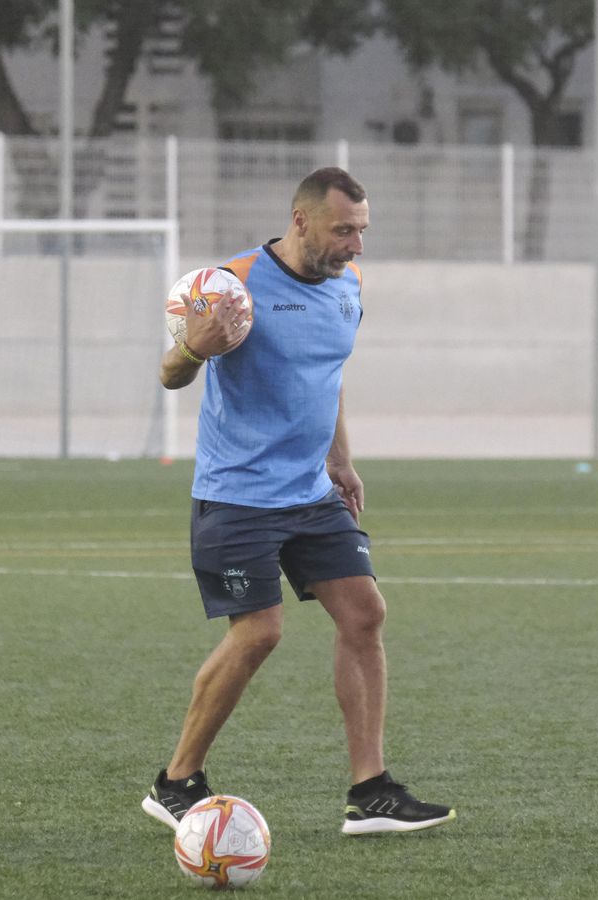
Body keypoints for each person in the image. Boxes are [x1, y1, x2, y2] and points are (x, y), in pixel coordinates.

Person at [141, 167, 454, 835]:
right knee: (260, 632)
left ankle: (369, 791)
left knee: (364, 613)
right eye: (345, 230)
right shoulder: (230, 284)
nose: (357, 246)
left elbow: (327, 373)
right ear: (302, 220)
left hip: (311, 491)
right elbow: (170, 374)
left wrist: (340, 459)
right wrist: (193, 348)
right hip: (238, 497)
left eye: (363, 231)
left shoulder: (350, 285)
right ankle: (175, 781)